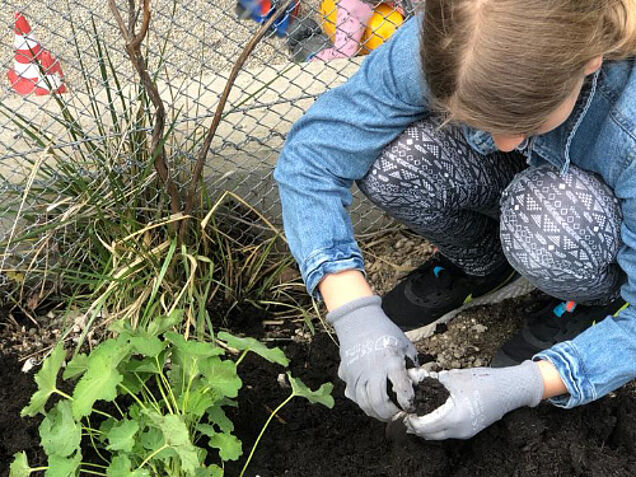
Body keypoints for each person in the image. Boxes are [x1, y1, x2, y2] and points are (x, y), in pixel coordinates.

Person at [274, 0, 636, 440]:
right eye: (476, 119)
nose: (501, 144)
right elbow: (313, 154)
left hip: (588, 217)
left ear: (590, 61)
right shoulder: (459, 33)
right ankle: (484, 265)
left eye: (525, 121)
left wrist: (529, 384)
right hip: (538, 182)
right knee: (393, 162)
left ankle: (598, 300)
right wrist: (352, 311)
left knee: (547, 222)